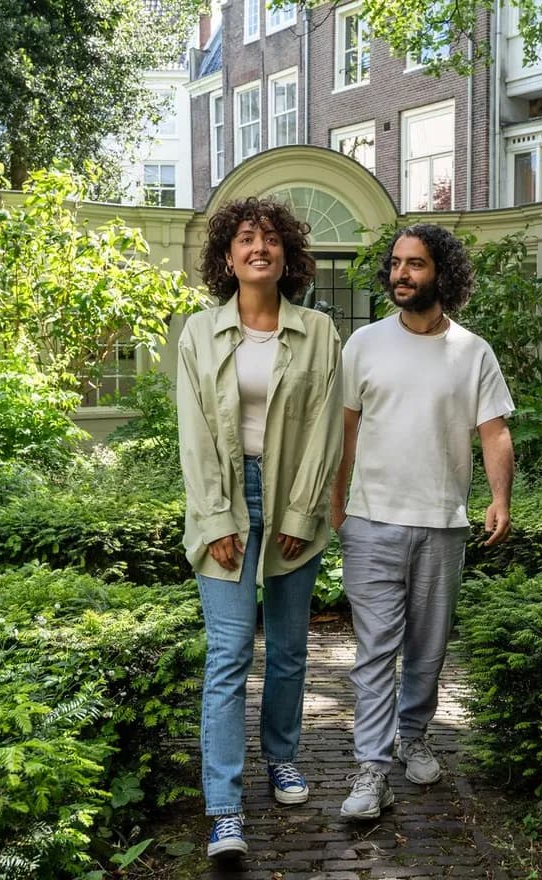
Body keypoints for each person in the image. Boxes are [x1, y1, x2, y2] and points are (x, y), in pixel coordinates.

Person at [330, 223, 515, 820]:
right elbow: (345, 431)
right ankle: (371, 769)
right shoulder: (362, 344)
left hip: (441, 523)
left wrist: (499, 498)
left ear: (443, 274)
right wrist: (337, 505)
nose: (401, 274)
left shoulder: (472, 351)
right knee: (375, 651)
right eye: (396, 263)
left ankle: (413, 735)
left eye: (416, 264)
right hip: (371, 521)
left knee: (427, 651)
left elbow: (495, 431)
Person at [177, 197, 343, 857]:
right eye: (246, 239)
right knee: (227, 655)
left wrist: (303, 512)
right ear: (228, 257)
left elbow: (326, 428)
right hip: (225, 494)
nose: (258, 248)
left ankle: (282, 758)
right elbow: (193, 431)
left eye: (270, 239)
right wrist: (218, 514)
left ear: (287, 256)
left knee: (290, 648)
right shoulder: (198, 332)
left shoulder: (319, 332)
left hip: (291, 497)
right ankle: (223, 807)